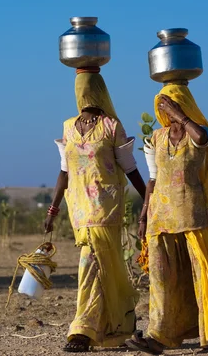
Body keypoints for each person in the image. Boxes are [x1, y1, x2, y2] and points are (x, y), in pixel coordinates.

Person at [44, 66, 147, 352]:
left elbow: (131, 169)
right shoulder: (68, 127)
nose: (84, 94)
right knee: (106, 269)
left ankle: (81, 331)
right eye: (80, 88)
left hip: (106, 209)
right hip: (79, 211)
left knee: (90, 264)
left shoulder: (112, 126)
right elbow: (64, 173)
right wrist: (53, 209)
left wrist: (149, 203)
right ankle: (118, 327)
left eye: (88, 87)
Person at [126, 82, 208, 354]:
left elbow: (203, 140)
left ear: (184, 104)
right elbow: (153, 180)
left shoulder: (200, 132)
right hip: (160, 219)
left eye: (169, 103)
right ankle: (159, 337)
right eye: (160, 104)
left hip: (193, 216)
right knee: (161, 279)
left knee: (199, 275)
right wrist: (143, 217)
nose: (164, 108)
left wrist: (182, 116)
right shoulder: (155, 139)